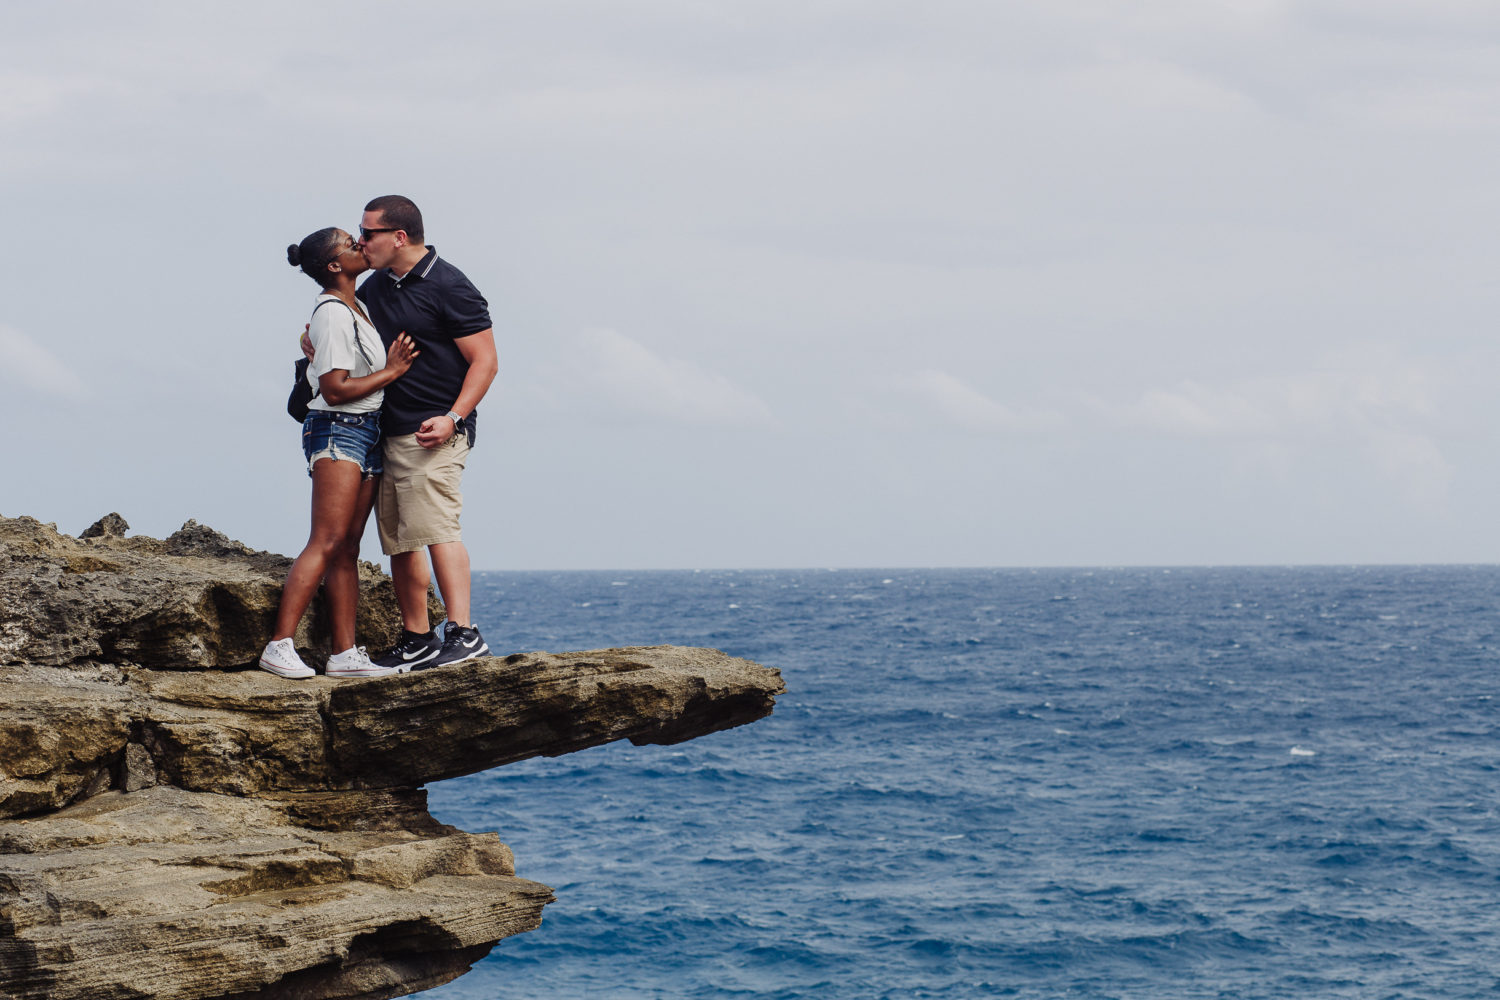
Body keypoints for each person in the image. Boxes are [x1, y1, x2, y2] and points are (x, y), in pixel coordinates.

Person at [259, 227, 420, 679]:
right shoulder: (331, 312)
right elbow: (334, 390)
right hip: (337, 430)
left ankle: (344, 655)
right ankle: (278, 645)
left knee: (348, 547)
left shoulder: (358, 306)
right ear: (334, 265)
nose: (360, 246)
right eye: (351, 244)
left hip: (365, 430)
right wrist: (392, 372)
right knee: (326, 540)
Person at [351, 195, 499, 670]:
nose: (361, 241)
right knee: (400, 538)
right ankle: (417, 638)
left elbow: (486, 361)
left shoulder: (450, 285)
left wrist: (453, 417)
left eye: (368, 232)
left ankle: (465, 633)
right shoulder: (374, 287)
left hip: (436, 428)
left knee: (437, 528)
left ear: (398, 236)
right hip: (387, 430)